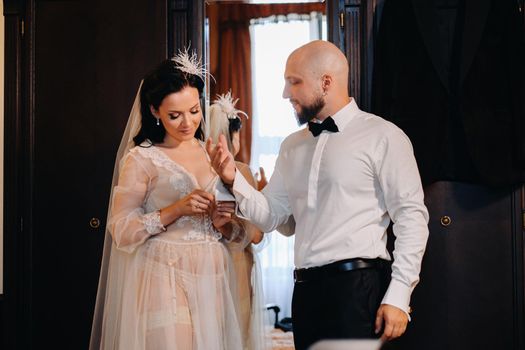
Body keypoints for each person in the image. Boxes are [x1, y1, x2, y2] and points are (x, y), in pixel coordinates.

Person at [206, 40, 429, 350]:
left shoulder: (383, 136)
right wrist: (233, 180)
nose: (286, 93)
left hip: (357, 288)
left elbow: (411, 218)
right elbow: (272, 215)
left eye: (294, 81)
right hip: (305, 292)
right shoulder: (291, 146)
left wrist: (400, 293)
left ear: (326, 82)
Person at [90, 51, 247, 350]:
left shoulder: (209, 152)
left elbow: (240, 236)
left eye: (194, 110)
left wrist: (222, 223)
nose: (187, 122)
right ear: (154, 111)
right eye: (175, 115)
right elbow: (120, 230)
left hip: (211, 275)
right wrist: (175, 210)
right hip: (164, 274)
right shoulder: (142, 158)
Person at [208, 91, 269, 350]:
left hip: (203, 263)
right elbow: (256, 235)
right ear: (232, 135)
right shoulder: (240, 171)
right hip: (235, 264)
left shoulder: (198, 168)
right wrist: (262, 196)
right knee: (238, 334)